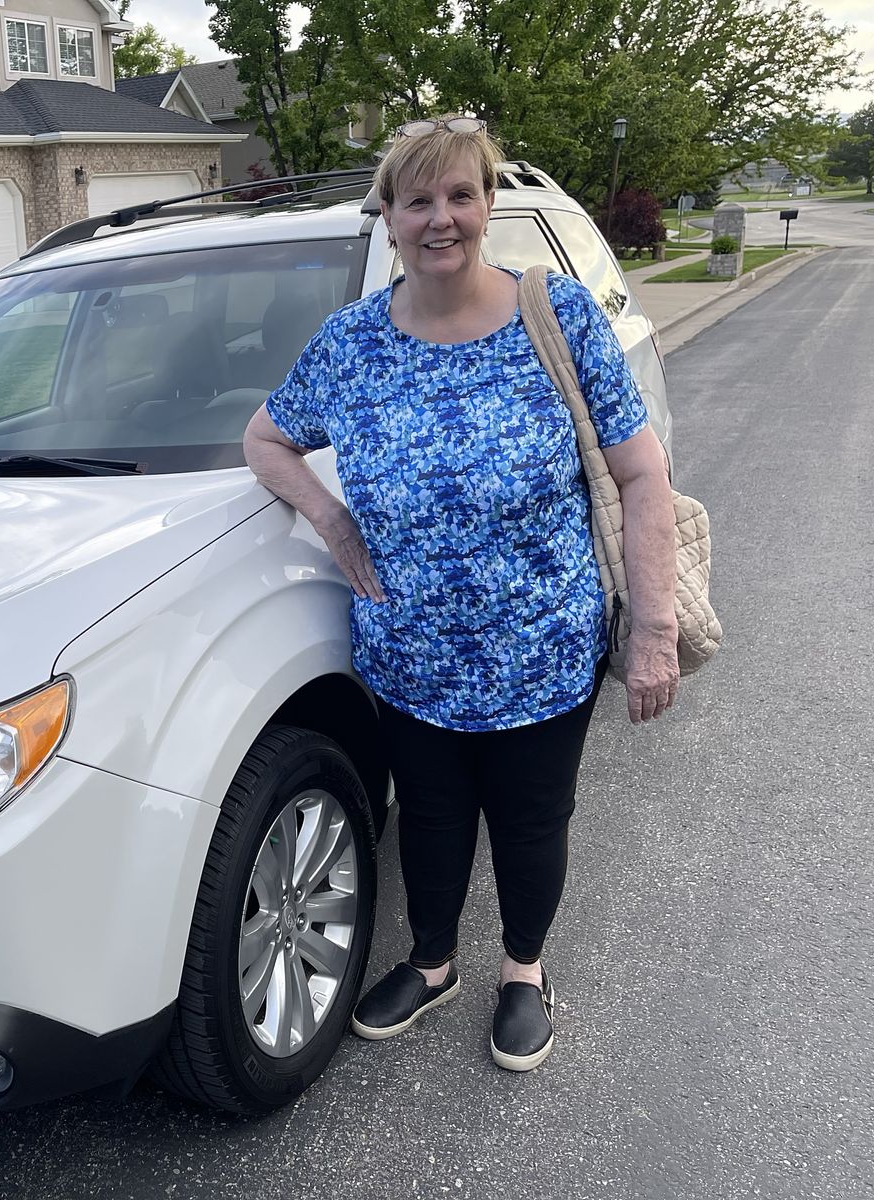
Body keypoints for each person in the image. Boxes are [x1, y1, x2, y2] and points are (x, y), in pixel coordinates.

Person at [242, 116, 680, 1072]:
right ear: (388, 216)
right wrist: (334, 520)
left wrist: (653, 630)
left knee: (530, 821)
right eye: (417, 200)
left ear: (486, 205)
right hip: (411, 655)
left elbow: (642, 479)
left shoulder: (556, 317)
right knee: (432, 820)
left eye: (460, 196)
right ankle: (433, 961)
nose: (441, 218)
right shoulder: (350, 345)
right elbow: (265, 439)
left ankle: (523, 971)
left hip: (541, 651)